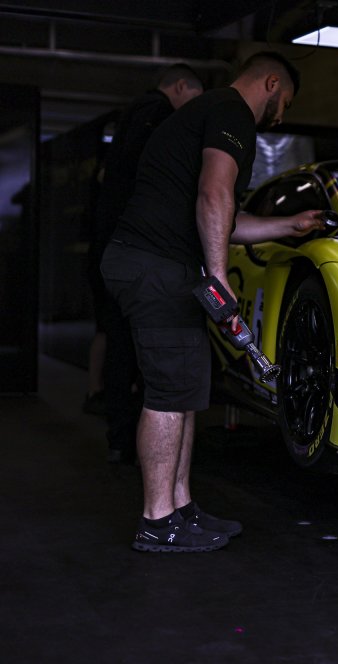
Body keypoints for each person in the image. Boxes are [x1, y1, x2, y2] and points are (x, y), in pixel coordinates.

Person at [101, 52, 325, 552]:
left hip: (163, 265)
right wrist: (219, 278)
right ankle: (157, 521)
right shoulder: (231, 112)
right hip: (154, 264)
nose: (281, 116)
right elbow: (213, 195)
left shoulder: (211, 112)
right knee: (167, 392)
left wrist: (290, 225)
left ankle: (180, 508)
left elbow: (223, 216)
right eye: (285, 103)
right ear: (271, 83)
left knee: (184, 390)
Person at [86, 64, 205, 464]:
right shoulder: (158, 116)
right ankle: (137, 442)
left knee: (119, 343)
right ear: (181, 86)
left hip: (111, 247)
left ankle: (120, 438)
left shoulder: (128, 120)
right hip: (139, 249)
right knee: (144, 354)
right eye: (193, 99)